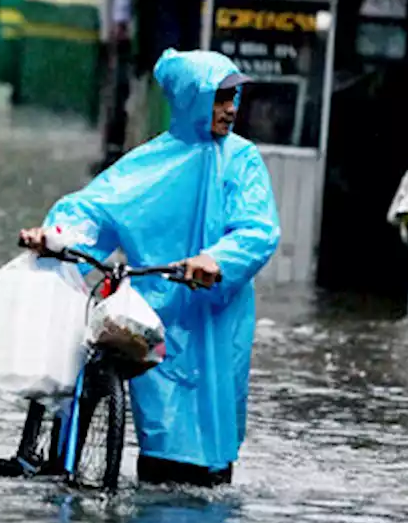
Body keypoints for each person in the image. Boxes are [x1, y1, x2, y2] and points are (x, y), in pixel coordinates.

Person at [20, 48, 281, 487]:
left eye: (233, 98)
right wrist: (53, 235)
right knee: (161, 440)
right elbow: (94, 208)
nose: (229, 109)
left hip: (217, 312)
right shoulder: (149, 161)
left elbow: (258, 229)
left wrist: (217, 261)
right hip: (156, 311)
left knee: (215, 428)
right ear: (192, 99)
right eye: (219, 98)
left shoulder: (242, 160)